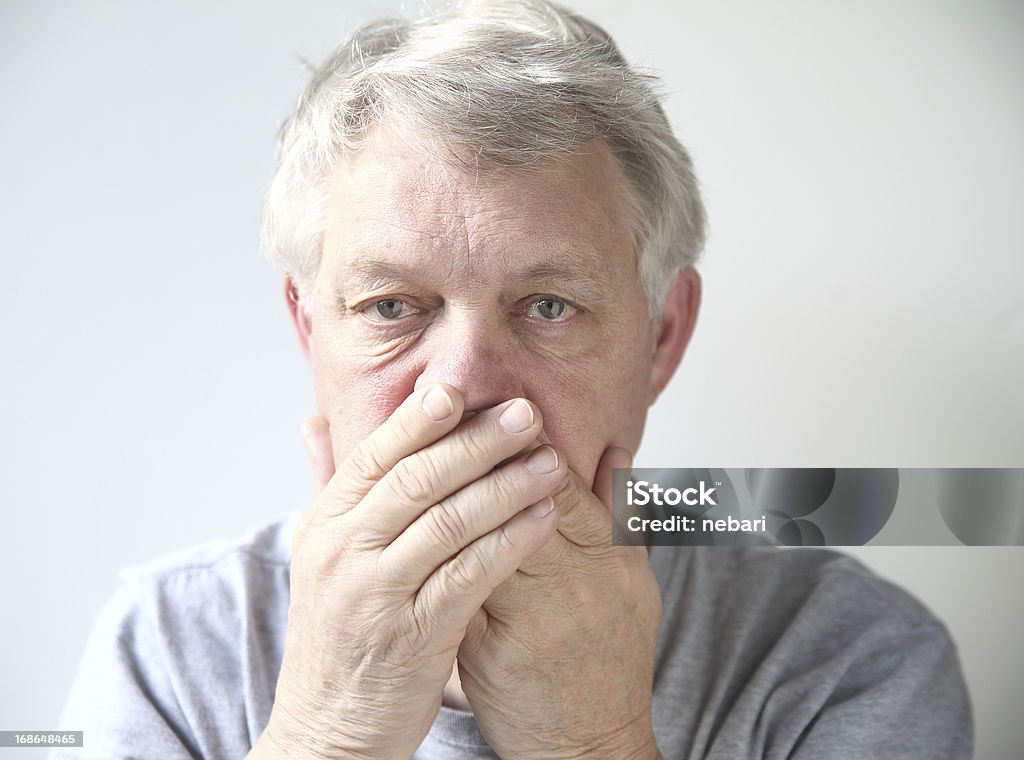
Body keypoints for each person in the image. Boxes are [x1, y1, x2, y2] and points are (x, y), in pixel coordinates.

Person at [54, 1, 973, 758]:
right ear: (308, 331)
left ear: (661, 338)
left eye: (548, 306)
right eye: (391, 307)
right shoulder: (164, 650)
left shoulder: (849, 659)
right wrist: (330, 733)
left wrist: (594, 739)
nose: (462, 387)